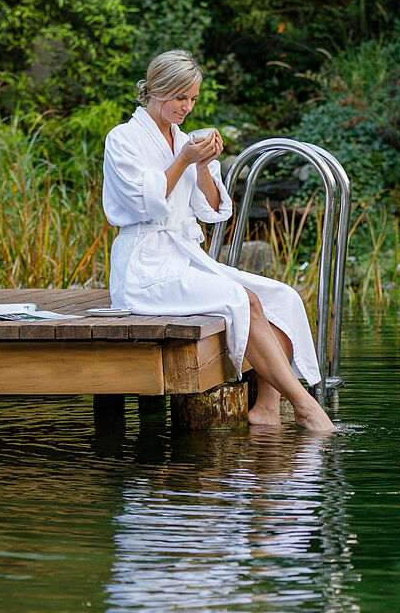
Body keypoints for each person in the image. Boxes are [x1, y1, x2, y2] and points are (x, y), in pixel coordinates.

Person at [102, 49, 336, 431]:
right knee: (243, 299)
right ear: (156, 90)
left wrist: (200, 164)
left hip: (183, 256)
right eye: (180, 98)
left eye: (193, 99)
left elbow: (213, 209)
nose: (187, 108)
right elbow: (146, 205)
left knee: (282, 297)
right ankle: (306, 405)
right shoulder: (123, 139)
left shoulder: (186, 139)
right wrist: (182, 159)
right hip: (144, 267)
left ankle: (267, 407)